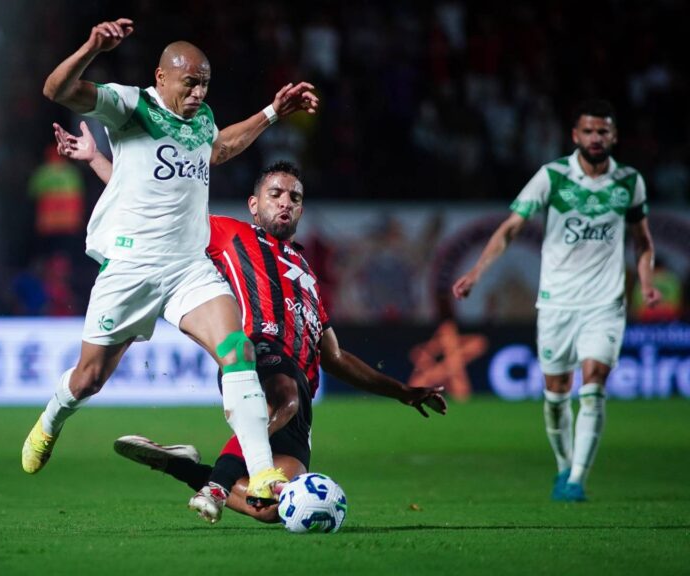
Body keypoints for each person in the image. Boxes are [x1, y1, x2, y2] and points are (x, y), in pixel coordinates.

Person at [54, 123, 447, 523]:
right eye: (274, 194)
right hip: (255, 356)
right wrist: (97, 160)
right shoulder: (230, 234)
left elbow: (334, 356)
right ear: (254, 205)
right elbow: (154, 207)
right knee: (284, 396)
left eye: (294, 197)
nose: (285, 202)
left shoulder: (306, 272)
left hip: (300, 400)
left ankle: (182, 466)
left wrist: (402, 391)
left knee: (273, 510)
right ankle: (216, 487)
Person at [24, 17, 320, 506]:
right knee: (89, 378)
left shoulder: (200, 120)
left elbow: (219, 147)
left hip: (188, 268)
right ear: (161, 77)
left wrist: (271, 112)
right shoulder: (130, 105)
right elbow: (57, 88)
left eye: (205, 83)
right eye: (190, 82)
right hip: (131, 269)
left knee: (237, 350)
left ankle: (262, 471)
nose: (199, 91)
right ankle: (52, 418)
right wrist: (92, 47)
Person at [452, 99, 661, 502]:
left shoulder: (630, 182)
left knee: (595, 379)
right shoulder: (552, 176)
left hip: (605, 302)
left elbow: (643, 241)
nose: (596, 138)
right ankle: (564, 465)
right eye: (588, 131)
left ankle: (578, 478)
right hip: (557, 302)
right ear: (575, 136)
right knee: (556, 393)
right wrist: (478, 272)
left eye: (603, 131)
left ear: (614, 136)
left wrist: (647, 282)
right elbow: (512, 227)